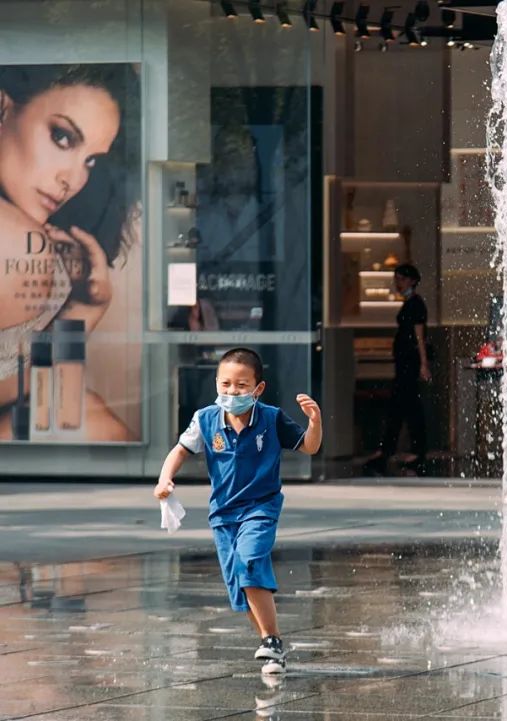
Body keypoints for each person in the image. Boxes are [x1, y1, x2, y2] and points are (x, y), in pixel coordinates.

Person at [153, 347, 323, 675]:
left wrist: (314, 422)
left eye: (242, 386)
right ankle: (270, 645)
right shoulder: (205, 419)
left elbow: (310, 447)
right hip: (222, 515)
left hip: (261, 507)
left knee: (249, 562)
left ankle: (272, 640)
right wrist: (164, 480)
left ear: (258, 389)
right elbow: (179, 451)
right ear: (217, 383)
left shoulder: (271, 418)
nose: (232, 392)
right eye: (226, 384)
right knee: (240, 585)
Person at [0, 64, 140, 441]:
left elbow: (46, 388)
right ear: (3, 107)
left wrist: (84, 305)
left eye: (91, 160)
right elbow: (49, 386)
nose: (73, 180)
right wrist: (84, 312)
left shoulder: (28, 234)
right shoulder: (16, 236)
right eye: (63, 138)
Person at [365, 263, 431, 475]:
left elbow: (420, 335)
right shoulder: (410, 303)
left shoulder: (416, 304)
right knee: (403, 407)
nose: (398, 284)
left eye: (401, 279)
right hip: (404, 363)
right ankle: (392, 449)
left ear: (411, 280)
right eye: (396, 279)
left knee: (407, 407)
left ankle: (405, 450)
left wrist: (423, 363)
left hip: (409, 364)